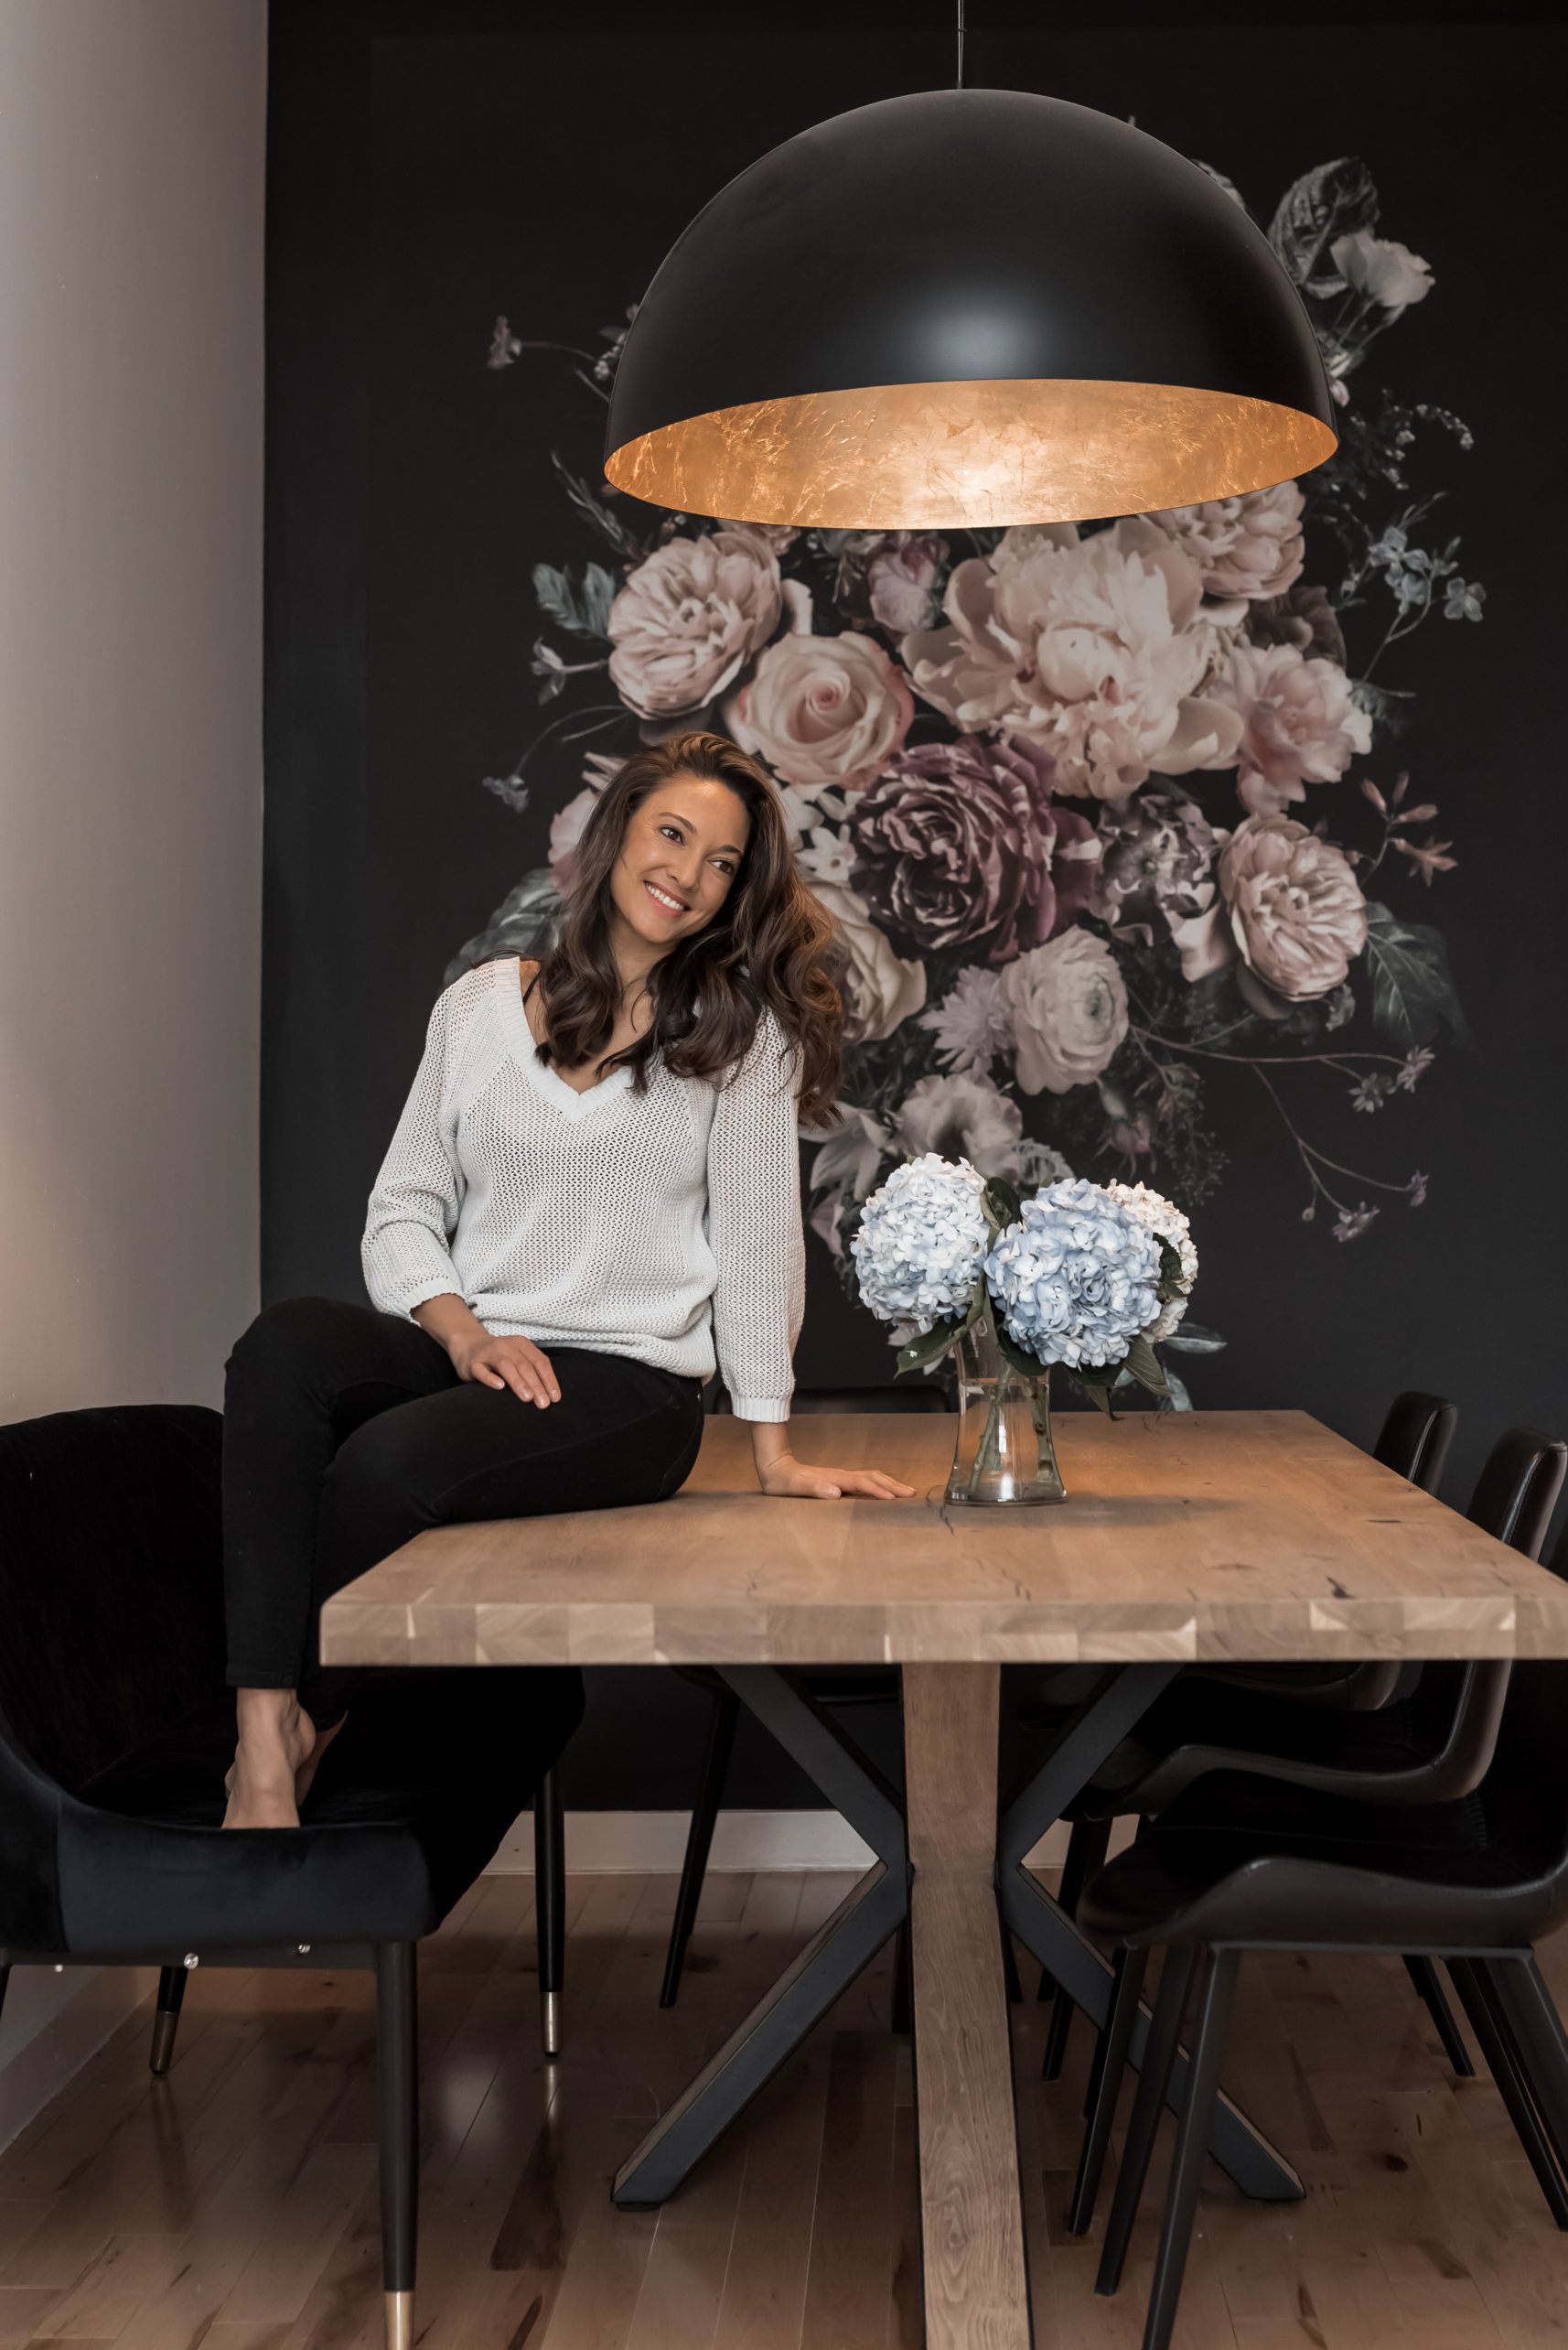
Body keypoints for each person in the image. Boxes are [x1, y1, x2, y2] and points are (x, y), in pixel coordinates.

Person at [220, 729, 915, 1827]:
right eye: (672, 835)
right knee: (284, 1345)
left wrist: (770, 1445)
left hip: (626, 1388)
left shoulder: (743, 1036)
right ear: (620, 834)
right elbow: (403, 1205)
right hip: (481, 1353)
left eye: (721, 862)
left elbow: (757, 1244)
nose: (686, 875)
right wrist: (461, 1335)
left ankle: (309, 1724)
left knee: (389, 1462)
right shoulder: (481, 1008)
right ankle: (267, 1731)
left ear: (737, 893)